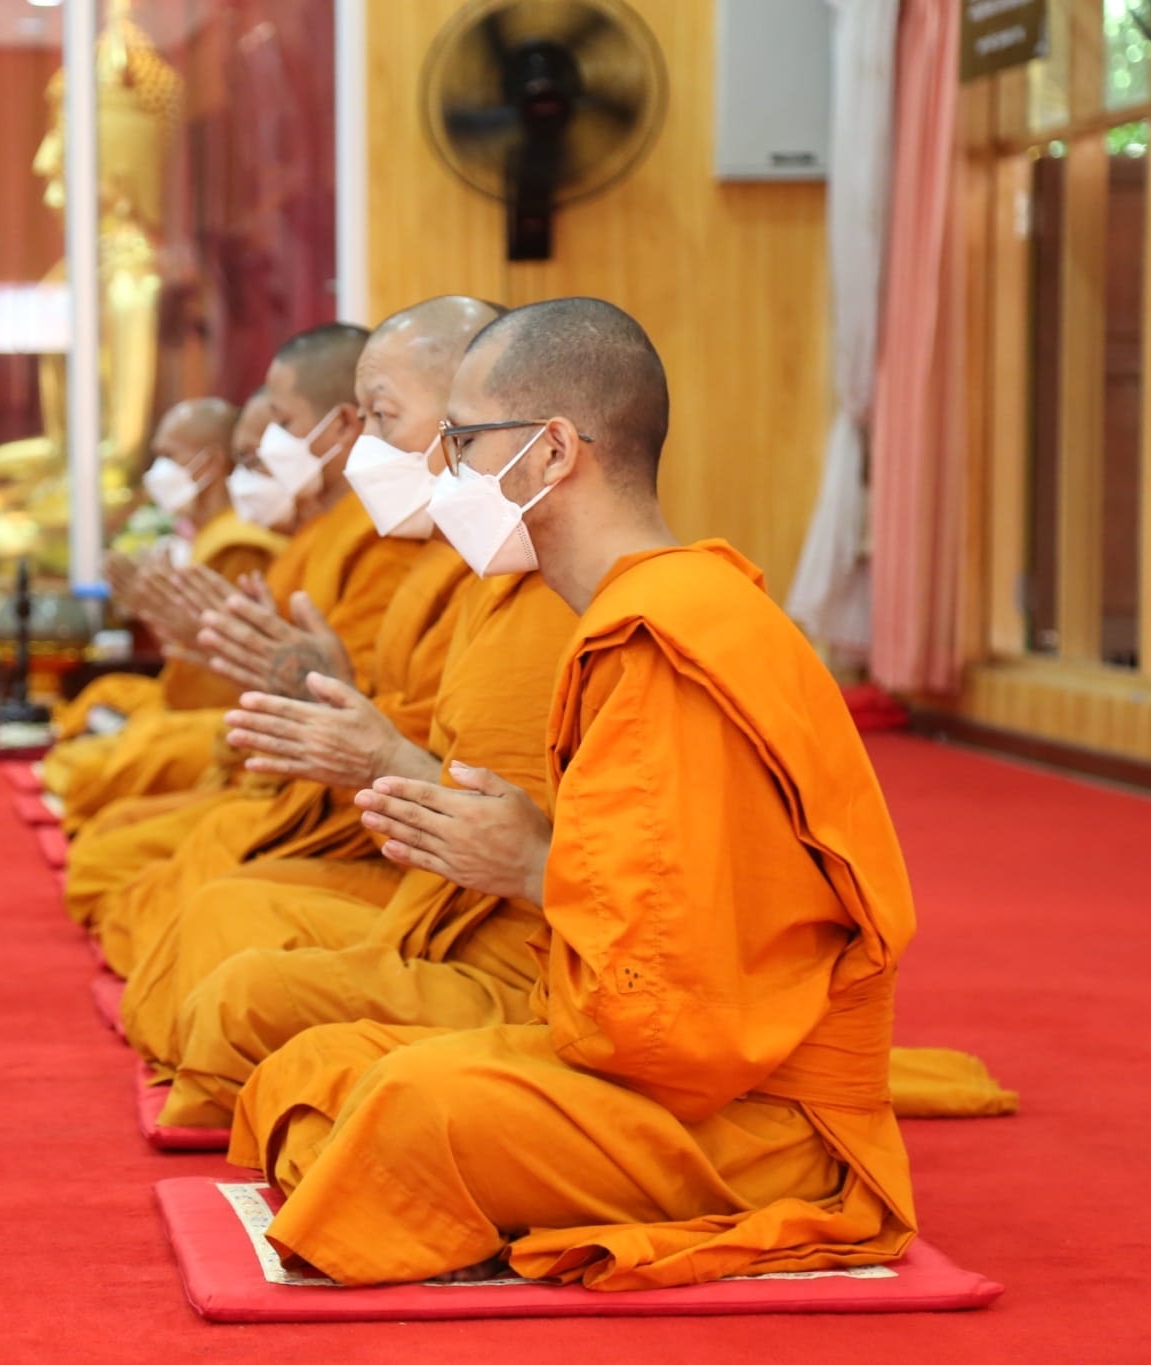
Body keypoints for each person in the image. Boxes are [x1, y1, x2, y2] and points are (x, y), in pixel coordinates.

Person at [228, 297, 919, 1289]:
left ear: (551, 453)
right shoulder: (641, 614)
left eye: (463, 442)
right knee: (312, 1076)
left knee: (407, 1109)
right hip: (658, 1056)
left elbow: (674, 1016)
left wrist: (529, 865)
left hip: (752, 1115)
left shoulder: (665, 642)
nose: (443, 470)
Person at [113, 300, 579, 1093]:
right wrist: (316, 695)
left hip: (531, 955)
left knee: (251, 991)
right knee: (181, 892)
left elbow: (540, 825)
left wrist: (367, 738)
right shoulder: (469, 574)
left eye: (387, 421)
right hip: (438, 898)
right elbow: (431, 741)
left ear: (547, 442)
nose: (370, 448)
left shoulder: (591, 604)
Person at [61, 323, 425, 916]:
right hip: (277, 765)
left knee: (139, 879)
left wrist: (264, 669)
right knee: (111, 836)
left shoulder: (380, 537)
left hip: (332, 792)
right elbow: (289, 677)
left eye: (282, 424)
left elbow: (370, 702)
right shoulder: (331, 534)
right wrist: (212, 643)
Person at [45, 397, 283, 819]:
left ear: (209, 462)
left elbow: (229, 676)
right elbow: (195, 652)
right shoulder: (210, 535)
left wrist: (171, 623)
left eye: (167, 456)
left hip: (221, 714)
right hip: (189, 704)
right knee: (104, 696)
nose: (156, 471)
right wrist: (149, 607)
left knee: (91, 770)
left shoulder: (241, 546)